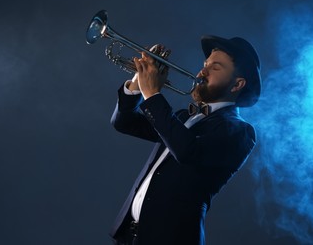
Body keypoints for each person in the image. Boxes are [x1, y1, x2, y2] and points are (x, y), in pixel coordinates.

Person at [109, 35, 262, 245]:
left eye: (215, 67)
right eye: (204, 65)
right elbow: (123, 122)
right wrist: (138, 81)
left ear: (237, 84)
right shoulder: (183, 118)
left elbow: (188, 151)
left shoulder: (239, 131)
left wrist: (152, 94)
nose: (202, 72)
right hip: (129, 237)